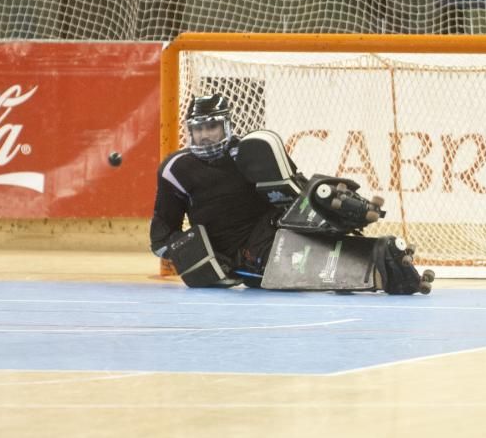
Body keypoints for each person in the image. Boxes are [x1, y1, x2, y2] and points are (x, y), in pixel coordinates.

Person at [150, 93, 430, 294]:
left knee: (315, 198)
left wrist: (322, 199)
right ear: (189, 131)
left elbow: (292, 189)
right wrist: (197, 255)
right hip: (241, 254)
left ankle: (377, 248)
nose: (205, 135)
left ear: (227, 125)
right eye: (198, 128)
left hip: (273, 225)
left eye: (212, 126)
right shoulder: (175, 170)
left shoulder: (249, 152)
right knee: (283, 255)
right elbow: (160, 239)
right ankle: (385, 270)